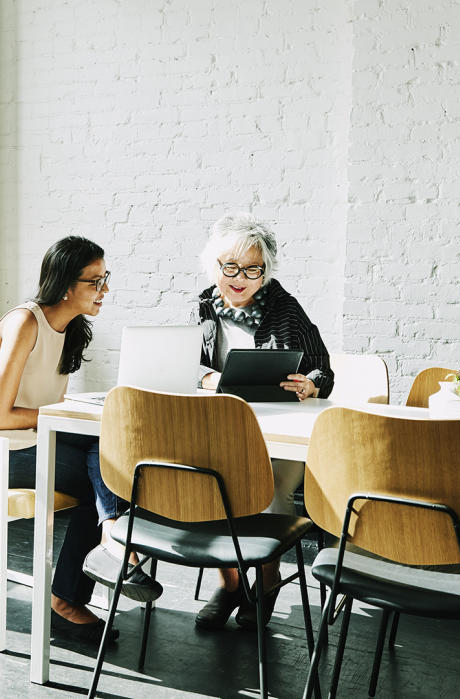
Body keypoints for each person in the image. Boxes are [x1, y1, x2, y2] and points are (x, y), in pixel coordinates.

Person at [0, 236, 159, 646]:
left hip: (25, 443)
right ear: (65, 285)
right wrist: (65, 415)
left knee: (110, 450)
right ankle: (91, 569)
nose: (105, 289)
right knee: (107, 472)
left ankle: (105, 540)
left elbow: (41, 407)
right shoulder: (25, 322)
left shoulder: (72, 329)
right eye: (95, 281)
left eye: (105, 278)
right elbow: (0, 417)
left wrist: (82, 414)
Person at [190, 214, 333, 631]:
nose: (240, 279)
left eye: (253, 270)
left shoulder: (286, 309)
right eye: (229, 267)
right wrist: (207, 377)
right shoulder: (203, 307)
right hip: (226, 431)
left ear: (265, 272)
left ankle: (267, 585)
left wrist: (311, 383)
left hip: (284, 438)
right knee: (209, 486)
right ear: (213, 265)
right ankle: (232, 583)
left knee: (268, 492)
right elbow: (185, 364)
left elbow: (323, 369)